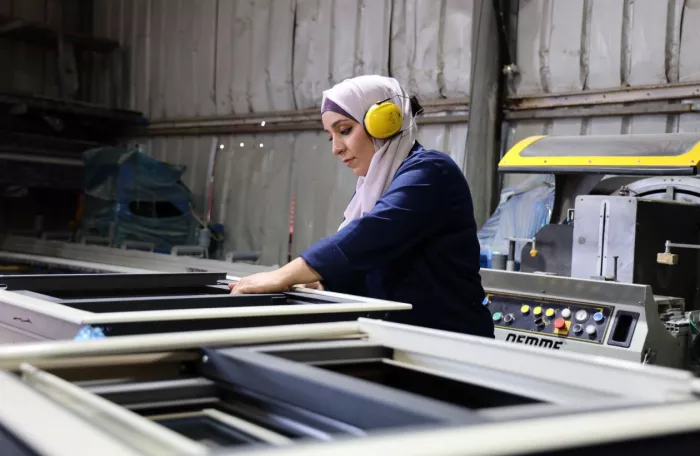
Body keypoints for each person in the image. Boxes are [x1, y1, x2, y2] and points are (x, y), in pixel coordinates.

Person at [229, 75, 493, 338]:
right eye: (330, 136)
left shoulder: (431, 171)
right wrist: (324, 280)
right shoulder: (375, 189)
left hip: (453, 343)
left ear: (384, 123)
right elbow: (372, 265)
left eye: (344, 130)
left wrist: (283, 275)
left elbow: (371, 235)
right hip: (404, 339)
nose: (336, 149)